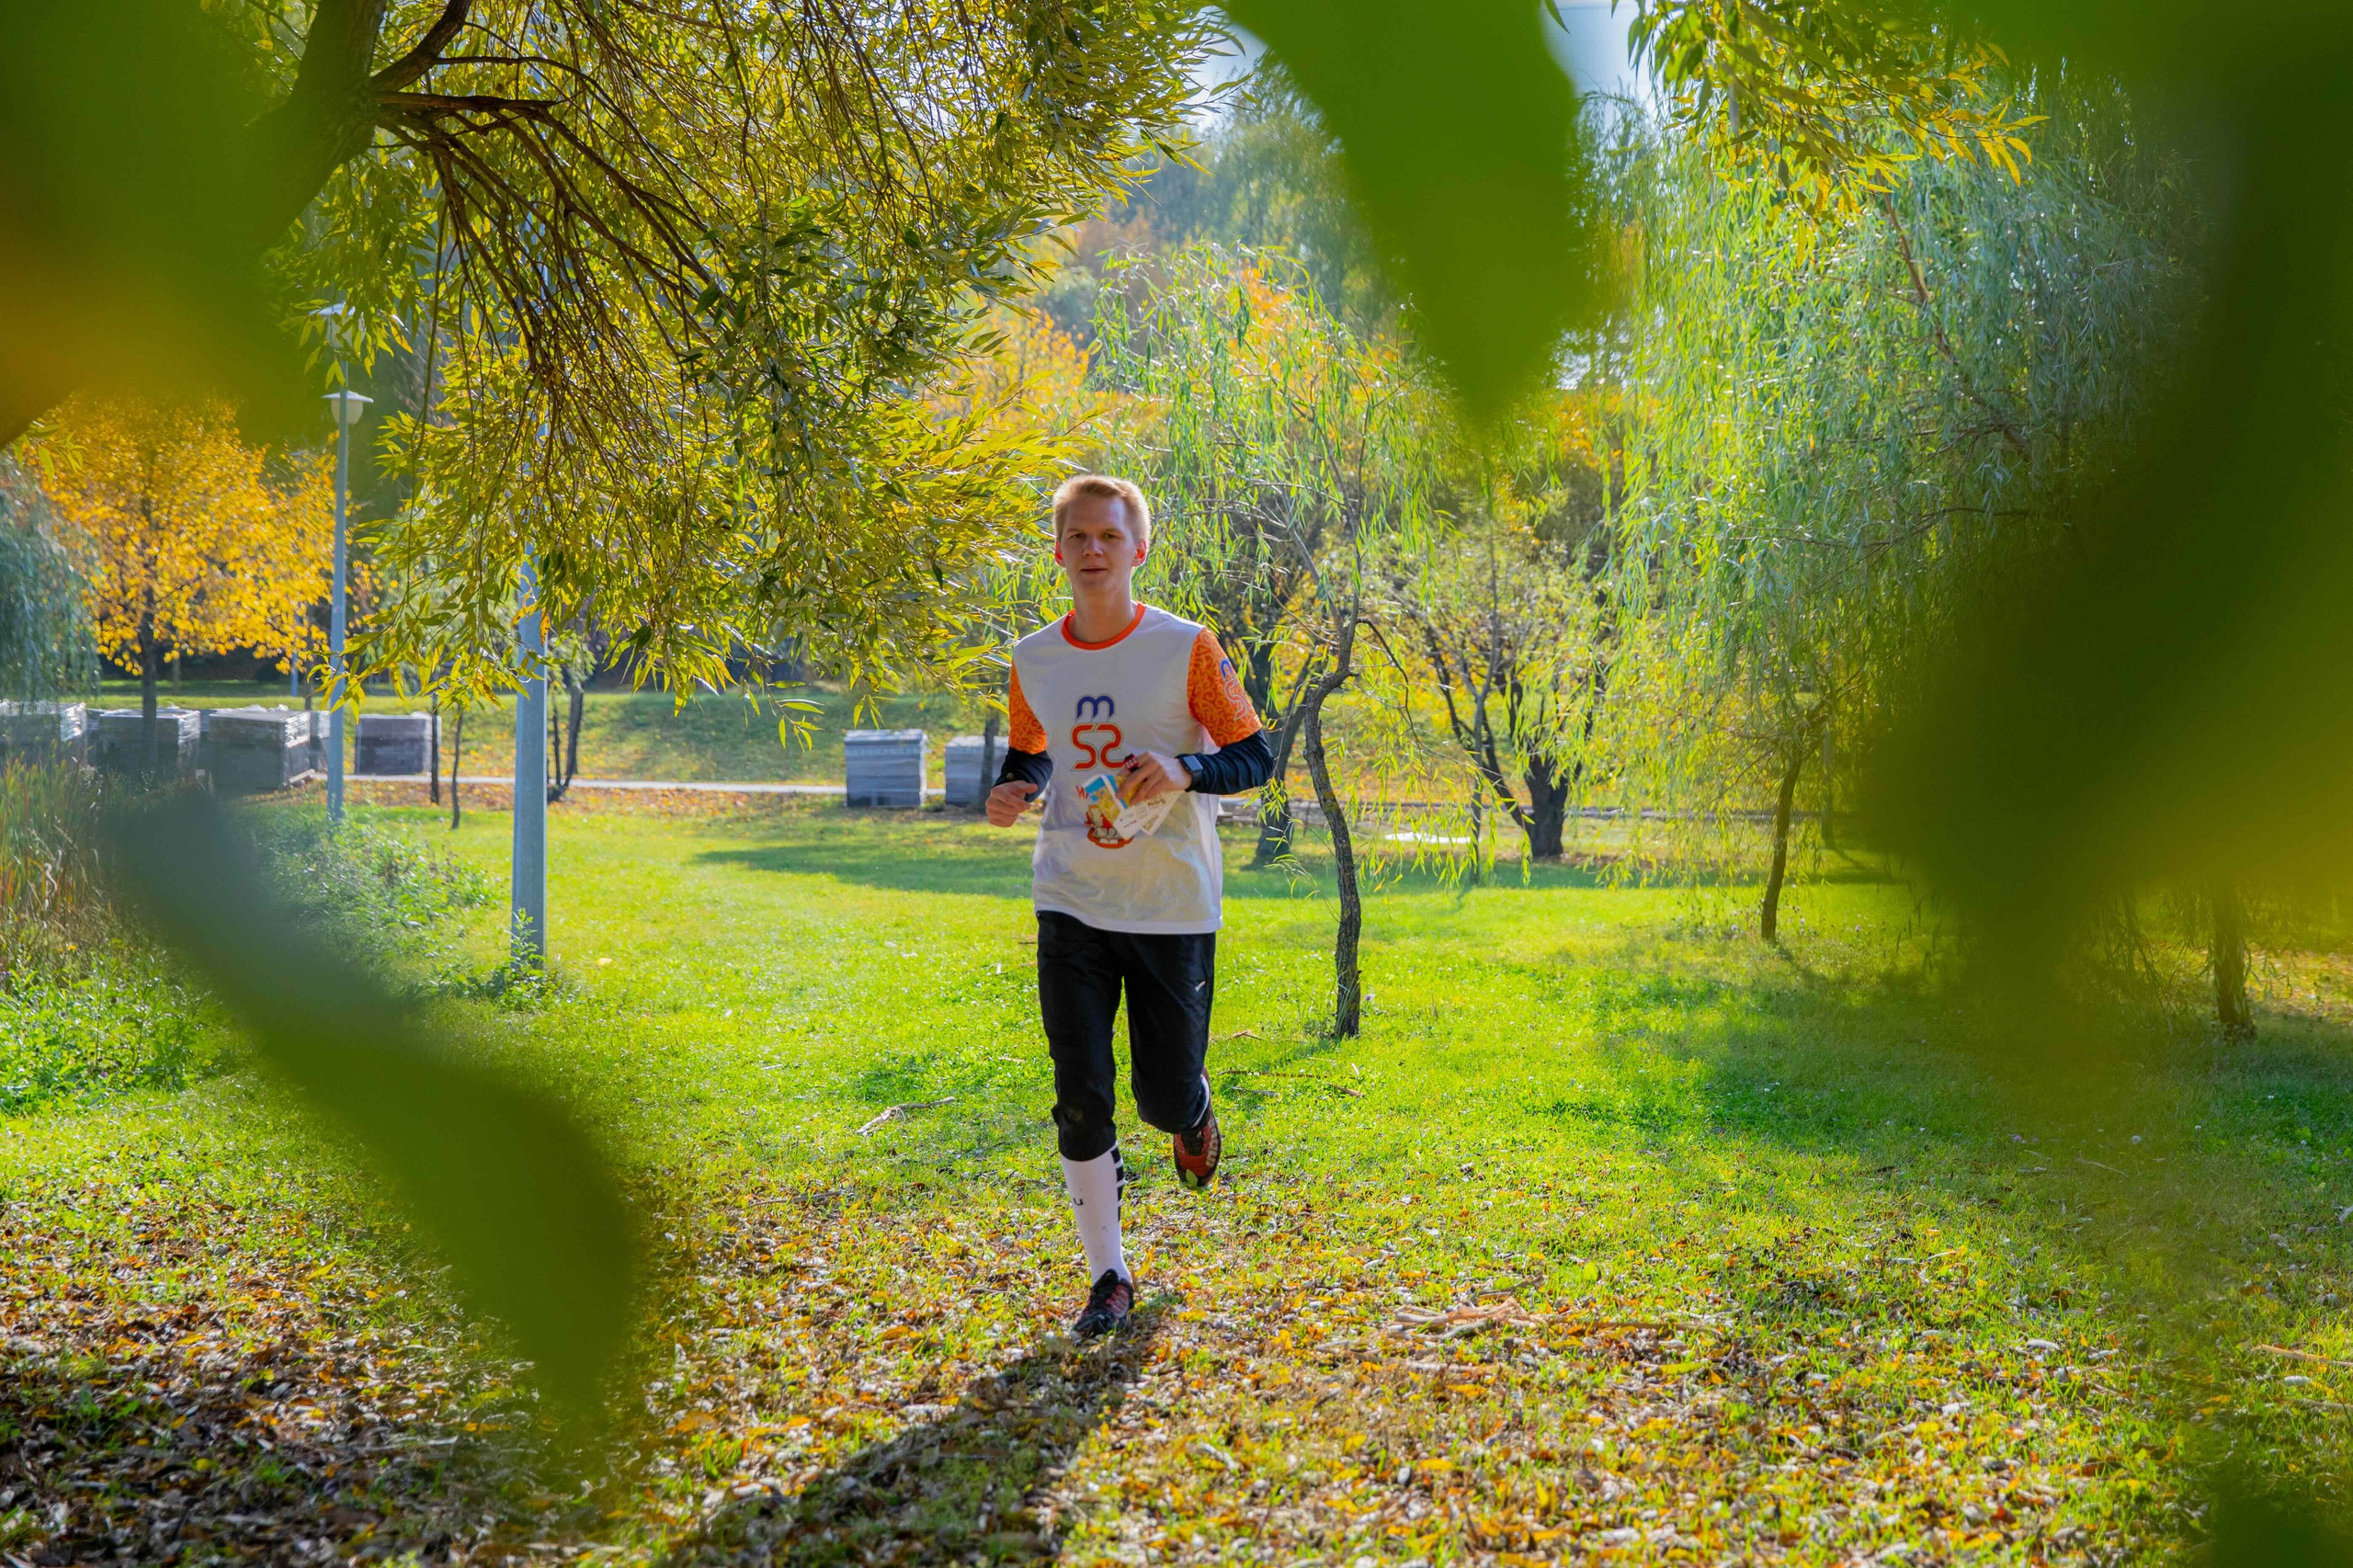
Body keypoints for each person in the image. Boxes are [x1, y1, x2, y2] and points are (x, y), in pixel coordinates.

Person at [985, 474, 1275, 1339]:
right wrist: (1013, 787)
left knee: (1161, 1097)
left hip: (1170, 906)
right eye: (1078, 536)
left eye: (1109, 536)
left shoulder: (1186, 648)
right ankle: (1108, 1276)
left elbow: (1255, 756)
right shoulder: (1034, 657)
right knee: (1080, 1095)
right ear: (1058, 551)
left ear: (1138, 549)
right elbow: (1033, 751)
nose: (1093, 550)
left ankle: (1192, 1111)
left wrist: (1186, 769)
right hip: (1069, 897)